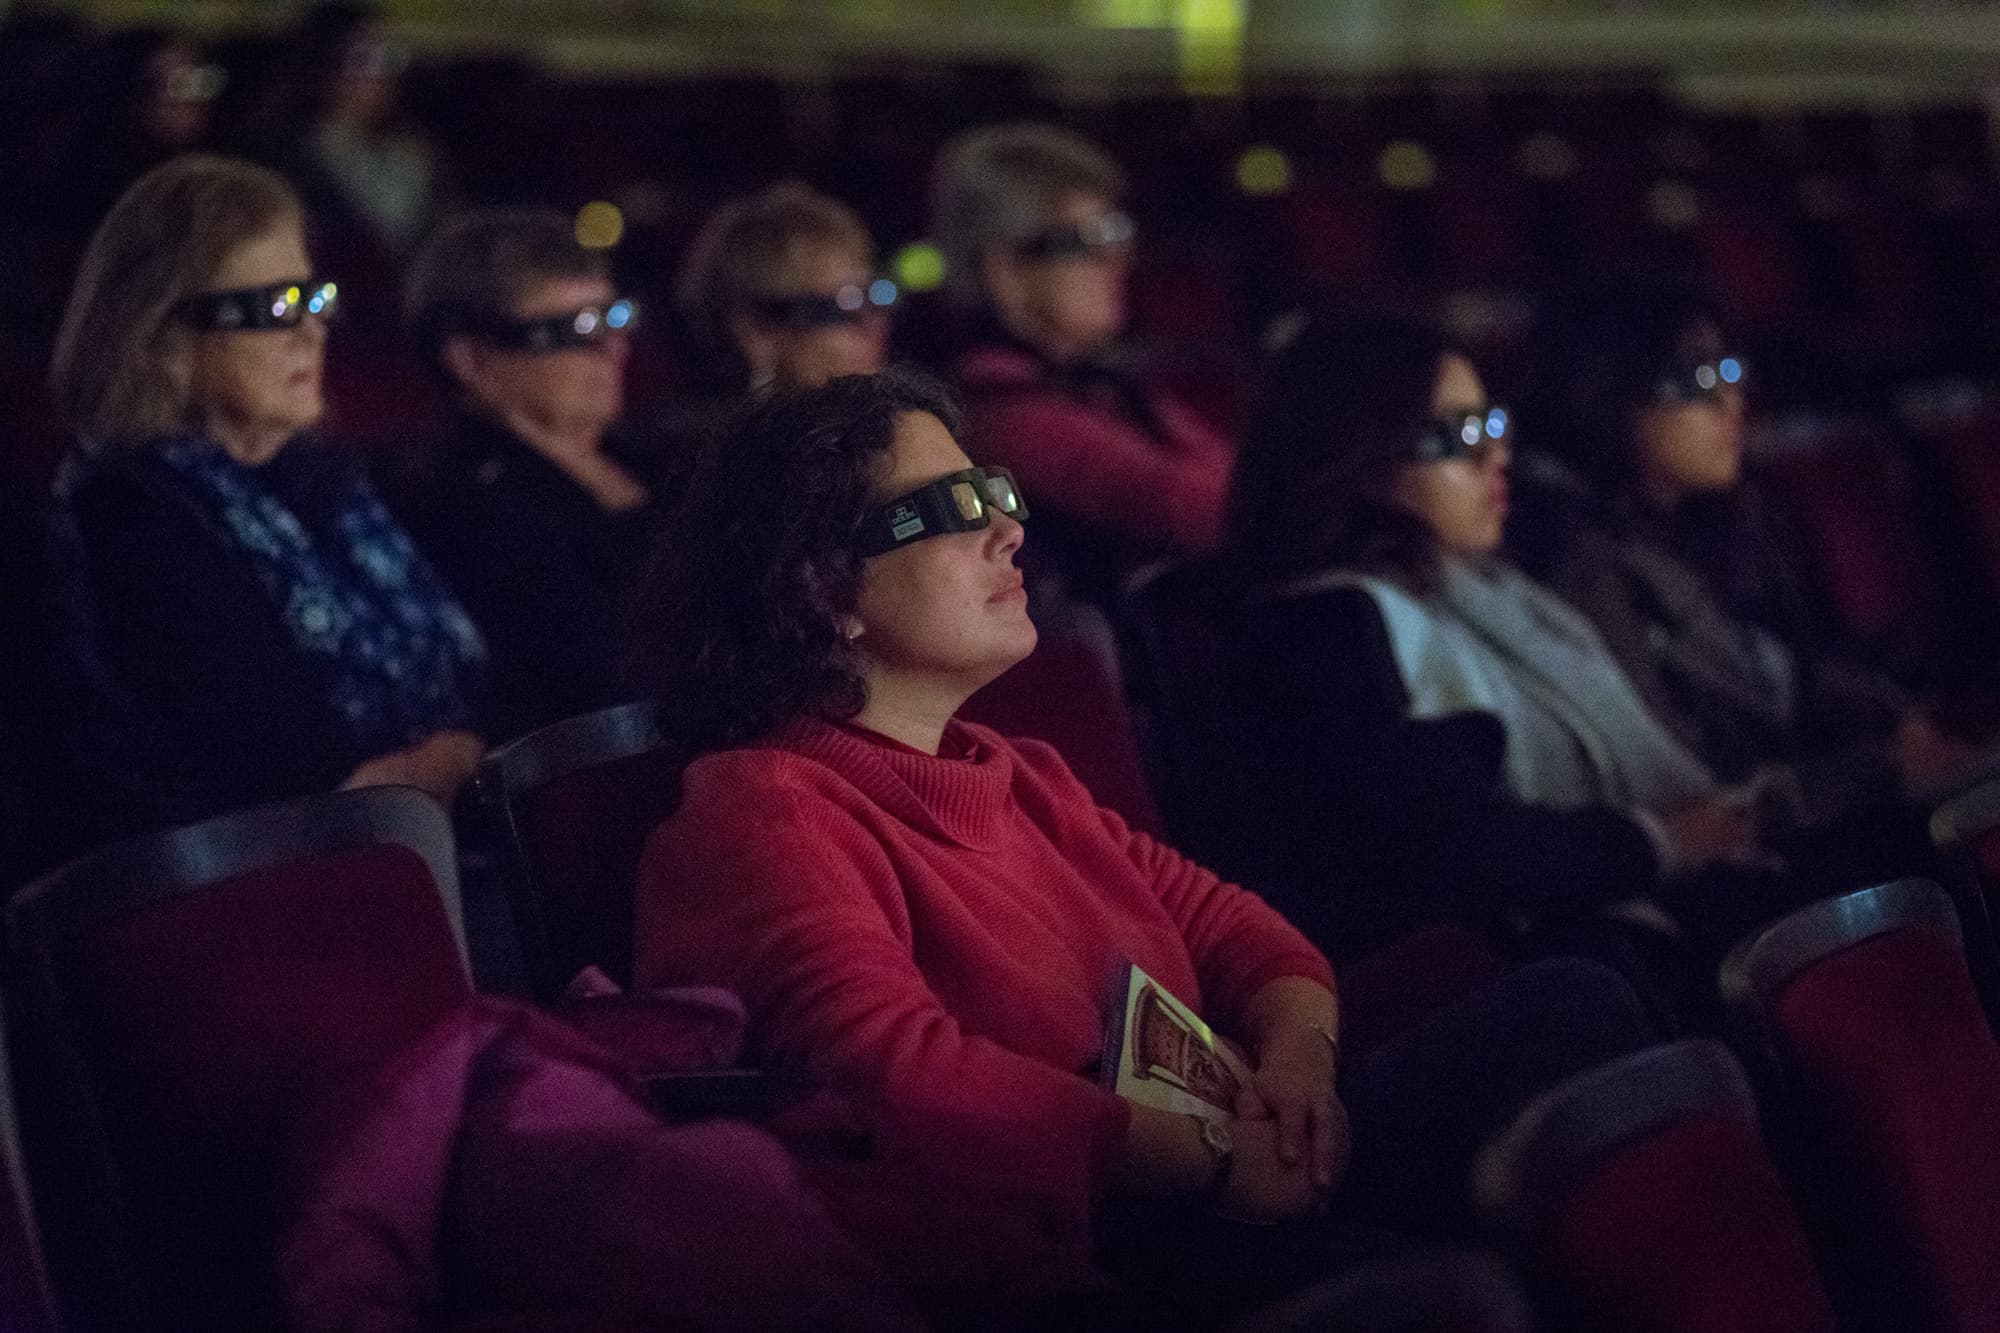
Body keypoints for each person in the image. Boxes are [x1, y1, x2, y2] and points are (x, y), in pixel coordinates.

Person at [627, 369, 1651, 1328]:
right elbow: (895, 1075)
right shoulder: (758, 807)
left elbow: (1253, 937)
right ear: (820, 588)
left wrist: (1297, 1081)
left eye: (994, 491)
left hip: (1223, 1155)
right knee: (1466, 1287)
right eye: (950, 509)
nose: (1006, 528)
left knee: (1578, 998)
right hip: (1083, 1246)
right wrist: (1209, 1158)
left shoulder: (1017, 771)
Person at [1219, 311, 1770, 965]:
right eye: (1460, 434)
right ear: (1364, 456)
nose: (1496, 454)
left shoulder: (1487, 589)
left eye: (1493, 424)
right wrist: (1664, 841)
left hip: (1626, 905)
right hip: (1538, 952)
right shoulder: (1327, 626)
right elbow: (1460, 844)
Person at [45, 154, 484, 840]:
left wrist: (442, 760)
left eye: (313, 298)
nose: (313, 331)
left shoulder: (322, 479)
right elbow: (285, 772)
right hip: (278, 892)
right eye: (275, 307)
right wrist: (444, 760)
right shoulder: (129, 516)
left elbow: (484, 691)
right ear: (164, 337)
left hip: (420, 855)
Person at [1512, 279, 1981, 879]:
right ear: (1608, 394)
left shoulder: (1724, 516)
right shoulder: (1581, 568)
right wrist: (1884, 766)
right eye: (1694, 381)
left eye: (1729, 370)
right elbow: (1686, 791)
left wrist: (1893, 722)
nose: (1730, 401)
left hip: (1832, 798)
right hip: (1772, 856)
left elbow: (1796, 675)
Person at [932, 123, 1234, 602]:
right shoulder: (1002, 411)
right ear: (1006, 269)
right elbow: (1212, 508)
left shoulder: (1098, 382)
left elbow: (1231, 476)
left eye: (1115, 233)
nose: (1116, 261)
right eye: (1083, 241)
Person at [400, 206, 651, 744]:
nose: (614, 348)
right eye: (574, 328)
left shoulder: (647, 456)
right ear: (470, 359)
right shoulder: (462, 507)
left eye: (614, 318)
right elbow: (598, 672)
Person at [673, 180, 894, 397]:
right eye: (845, 304)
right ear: (755, 329)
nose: (874, 326)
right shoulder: (705, 432)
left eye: (871, 297)